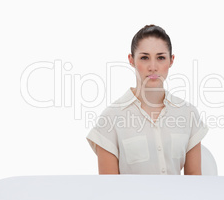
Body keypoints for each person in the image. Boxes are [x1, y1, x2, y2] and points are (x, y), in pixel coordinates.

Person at [86, 24, 209, 175]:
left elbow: (195, 186)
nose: (153, 67)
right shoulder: (110, 118)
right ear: (131, 60)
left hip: (177, 199)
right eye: (144, 58)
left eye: (161, 58)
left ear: (171, 61)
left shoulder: (188, 113)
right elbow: (110, 190)